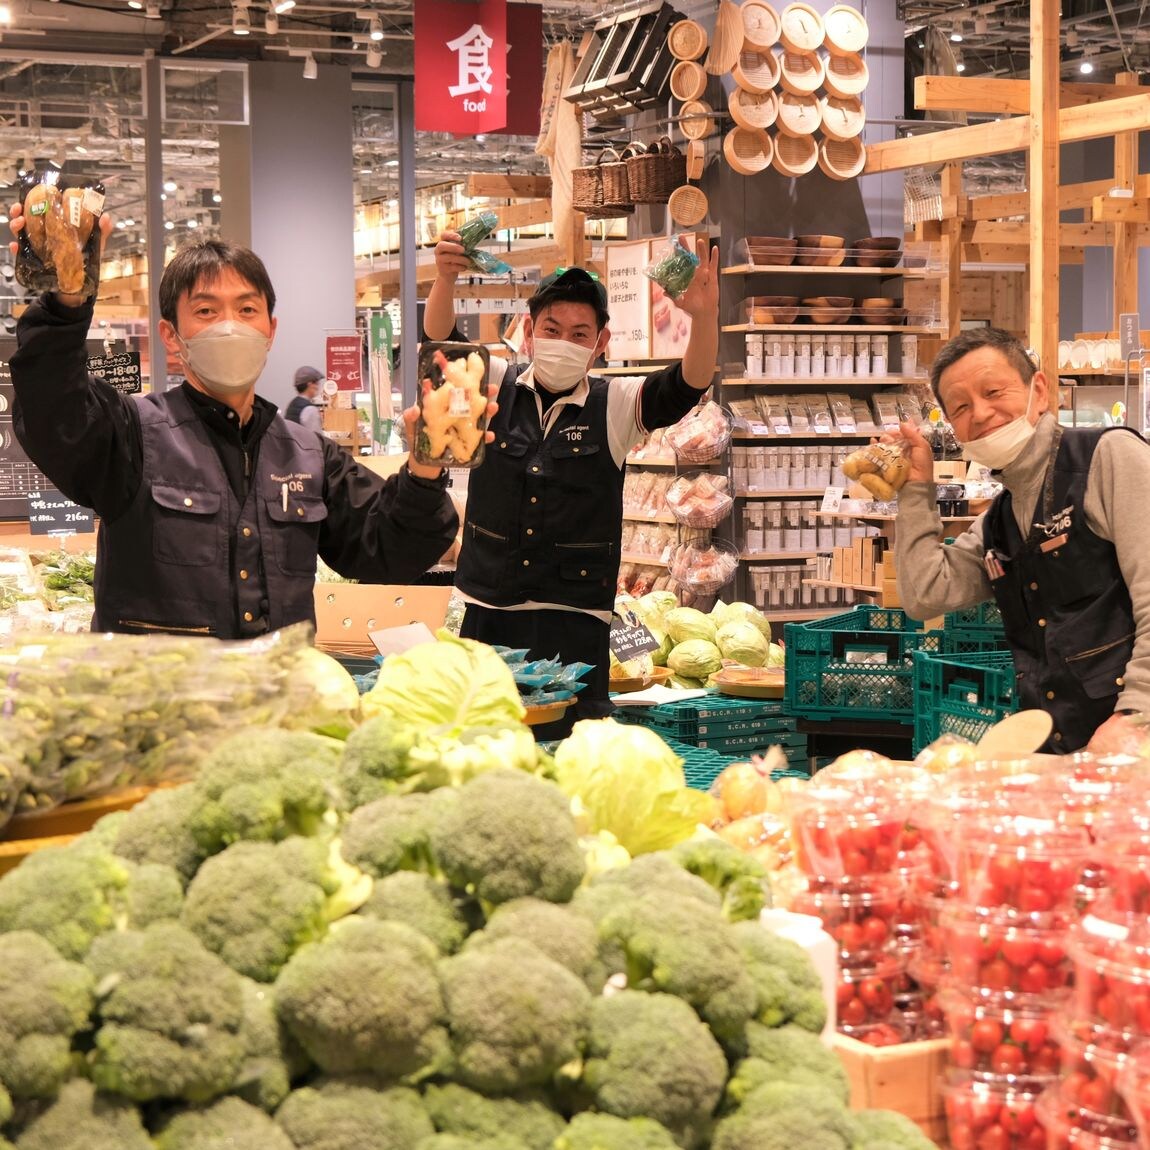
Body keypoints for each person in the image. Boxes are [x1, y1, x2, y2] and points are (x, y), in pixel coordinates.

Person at [8, 205, 479, 640]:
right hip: (158, 716)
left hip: (278, 713)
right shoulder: (131, 435)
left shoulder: (310, 455)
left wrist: (426, 465)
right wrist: (68, 300)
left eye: (248, 309)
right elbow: (55, 409)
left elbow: (388, 552)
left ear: (270, 331)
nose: (230, 325)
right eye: (207, 311)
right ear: (171, 337)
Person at [424, 232, 720, 737]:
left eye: (580, 334)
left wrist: (705, 316)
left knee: (574, 742)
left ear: (601, 343)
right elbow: (443, 342)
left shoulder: (618, 405)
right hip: (489, 611)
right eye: (552, 328)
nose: (564, 342)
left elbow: (686, 385)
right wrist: (446, 278)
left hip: (575, 623)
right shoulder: (494, 381)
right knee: (481, 738)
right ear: (529, 332)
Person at [890, 326, 1150, 753]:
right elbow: (925, 594)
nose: (981, 412)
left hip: (1131, 743)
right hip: (1068, 748)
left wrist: (1135, 715)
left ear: (1040, 390)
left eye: (994, 391)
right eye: (960, 407)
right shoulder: (1003, 518)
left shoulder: (1108, 458)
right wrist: (916, 487)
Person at [285, 365, 324, 431]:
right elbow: (315, 438)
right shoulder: (310, 409)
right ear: (310, 384)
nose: (318, 387)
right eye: (317, 384)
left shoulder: (292, 404)